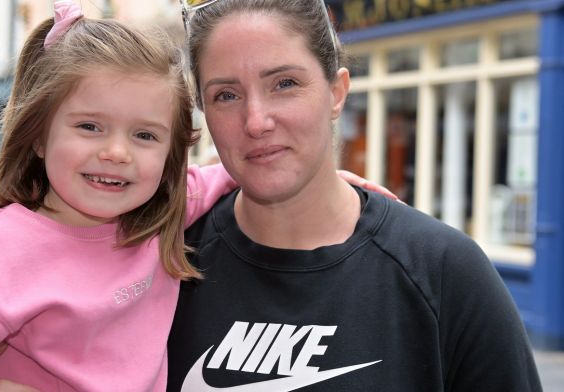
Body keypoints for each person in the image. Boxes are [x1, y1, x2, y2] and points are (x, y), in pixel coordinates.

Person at [165, 0, 543, 391]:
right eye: (226, 95)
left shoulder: (442, 271)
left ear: (336, 92)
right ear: (204, 113)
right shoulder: (163, 263)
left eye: (285, 84)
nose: (256, 121)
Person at [0, 1, 241, 390]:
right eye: (89, 126)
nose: (117, 153)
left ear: (170, 153)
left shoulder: (161, 215)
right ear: (38, 135)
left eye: (145, 135)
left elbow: (234, 173)